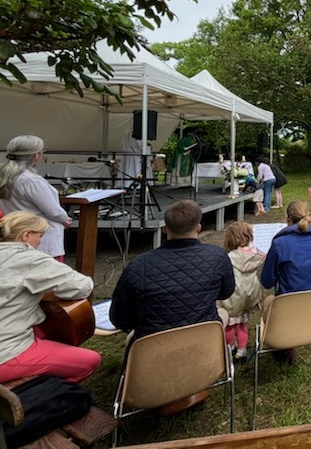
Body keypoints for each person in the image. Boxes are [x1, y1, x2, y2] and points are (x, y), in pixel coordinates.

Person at [110, 200, 235, 342]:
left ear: (164, 229)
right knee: (223, 313)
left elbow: (121, 319)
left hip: (153, 344)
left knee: (133, 339)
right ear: (198, 228)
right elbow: (226, 292)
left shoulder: (138, 265)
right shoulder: (217, 256)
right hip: (202, 338)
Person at [0, 212, 100, 383]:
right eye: (40, 236)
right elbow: (82, 286)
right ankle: (36, 398)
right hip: (6, 353)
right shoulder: (30, 259)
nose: (40, 242)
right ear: (26, 235)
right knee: (90, 360)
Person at [261, 201, 311, 361]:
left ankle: (284, 343)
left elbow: (267, 281)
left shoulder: (280, 243)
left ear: (287, 219)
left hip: (287, 306)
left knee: (270, 300)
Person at [0, 135, 72, 261]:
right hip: (42, 237)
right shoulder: (31, 180)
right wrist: (65, 219)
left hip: (18, 233)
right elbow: (53, 211)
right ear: (36, 156)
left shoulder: (5, 176)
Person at [218, 221, 266, 361]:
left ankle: (231, 346)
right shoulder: (254, 255)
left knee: (229, 326)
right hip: (249, 294)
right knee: (242, 324)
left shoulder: (229, 257)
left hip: (232, 296)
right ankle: (242, 350)